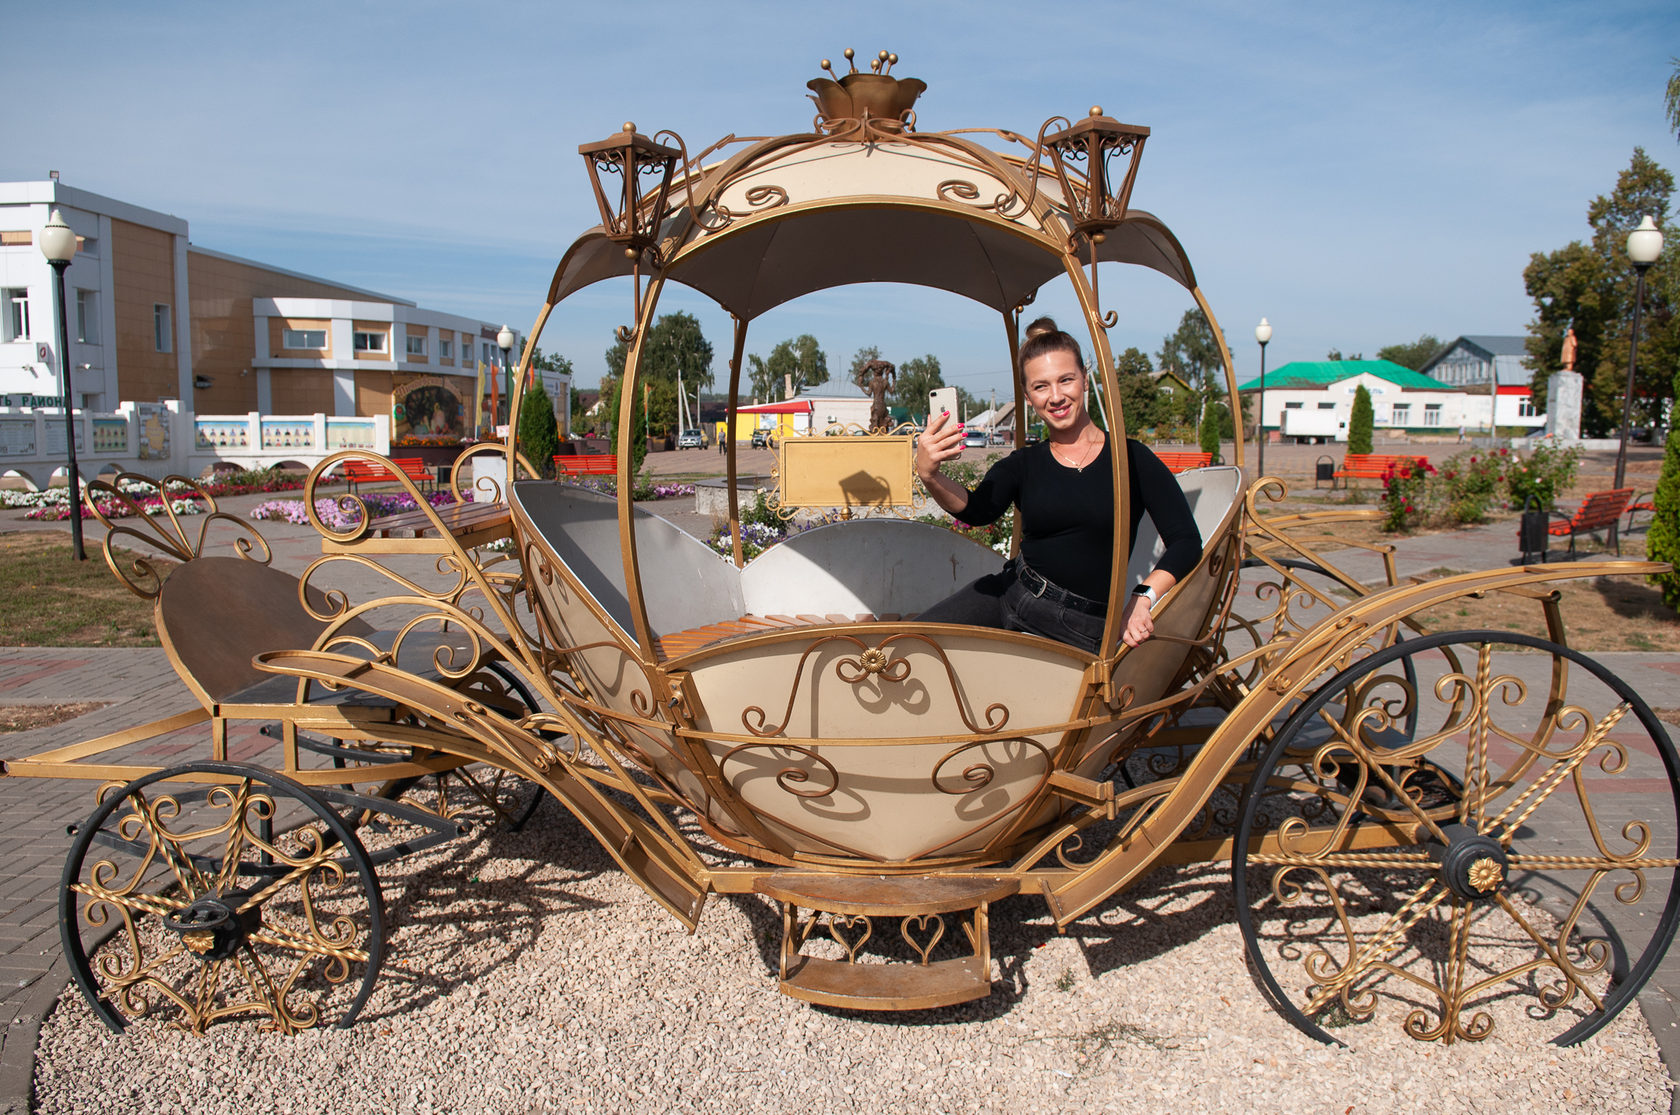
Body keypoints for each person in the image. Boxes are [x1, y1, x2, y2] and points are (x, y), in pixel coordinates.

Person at [915, 328, 1201, 653]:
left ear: (1084, 378)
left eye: (1065, 380)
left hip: (1080, 626)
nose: (1055, 396)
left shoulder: (1131, 459)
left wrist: (1143, 597)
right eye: (1041, 386)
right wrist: (930, 474)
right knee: (911, 645)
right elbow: (978, 510)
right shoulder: (1024, 463)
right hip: (1011, 593)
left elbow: (1186, 541)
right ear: (1028, 396)